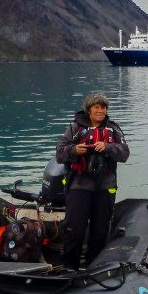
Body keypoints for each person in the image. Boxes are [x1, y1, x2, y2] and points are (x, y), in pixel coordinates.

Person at [55, 92, 129, 270]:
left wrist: (108, 147)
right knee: (74, 230)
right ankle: (69, 268)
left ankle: (94, 268)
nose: (100, 111)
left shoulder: (114, 129)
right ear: (89, 110)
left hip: (105, 188)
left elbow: (124, 153)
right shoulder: (74, 129)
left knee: (100, 231)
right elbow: (59, 154)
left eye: (103, 107)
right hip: (79, 187)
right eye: (96, 107)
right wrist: (74, 150)